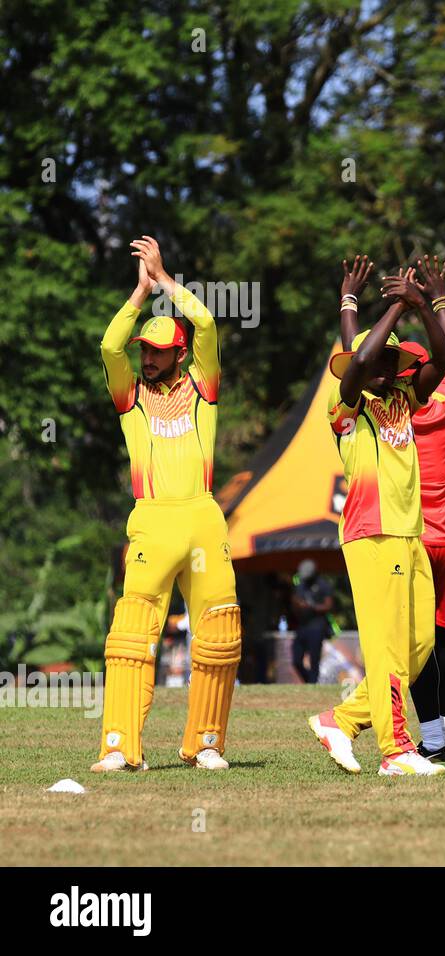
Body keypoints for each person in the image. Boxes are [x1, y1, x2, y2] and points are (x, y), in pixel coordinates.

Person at [94, 236, 242, 773]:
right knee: (133, 632)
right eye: (145, 350)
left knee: (220, 629)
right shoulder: (129, 395)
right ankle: (119, 746)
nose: (147, 358)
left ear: (179, 353)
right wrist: (139, 294)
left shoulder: (205, 388)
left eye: (157, 350)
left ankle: (205, 743)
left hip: (203, 516)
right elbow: (110, 347)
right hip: (152, 519)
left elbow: (206, 324)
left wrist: (166, 282)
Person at [307, 260, 445, 776]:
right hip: (371, 533)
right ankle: (396, 752)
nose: (395, 367)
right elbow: (361, 356)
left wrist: (422, 303)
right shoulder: (345, 404)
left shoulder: (404, 398)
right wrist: (395, 305)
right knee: (388, 648)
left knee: (418, 646)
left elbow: (444, 356)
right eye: (386, 360)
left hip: (409, 532)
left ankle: (341, 721)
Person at [398, 255, 445, 769]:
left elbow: (353, 363)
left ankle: (430, 740)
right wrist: (436, 300)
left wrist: (352, 303)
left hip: (415, 541)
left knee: (419, 645)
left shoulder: (393, 407)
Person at [290, 559, 334, 684]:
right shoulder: (300, 585)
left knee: (314, 659)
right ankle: (309, 681)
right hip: (302, 626)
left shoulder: (323, 585)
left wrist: (312, 607)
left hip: (317, 627)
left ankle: (313, 684)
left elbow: (328, 605)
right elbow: (295, 602)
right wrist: (297, 605)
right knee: (296, 660)